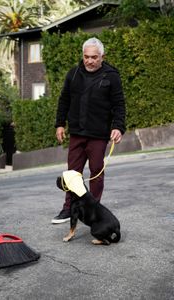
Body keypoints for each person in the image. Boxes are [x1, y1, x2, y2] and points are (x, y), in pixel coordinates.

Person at [51, 37, 126, 224]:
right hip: (77, 133)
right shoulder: (74, 74)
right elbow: (64, 100)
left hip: (98, 135)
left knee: (96, 173)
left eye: (94, 57)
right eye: (86, 57)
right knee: (72, 174)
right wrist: (60, 124)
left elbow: (119, 104)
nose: (90, 61)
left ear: (102, 56)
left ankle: (94, 211)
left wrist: (118, 127)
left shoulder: (111, 76)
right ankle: (69, 208)